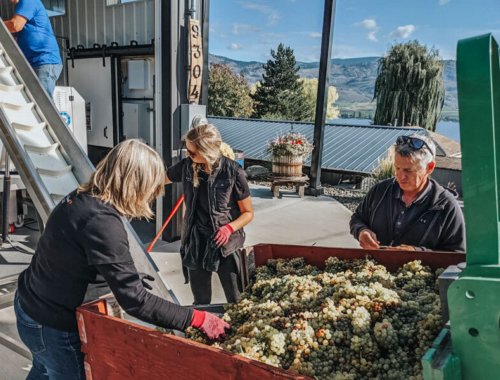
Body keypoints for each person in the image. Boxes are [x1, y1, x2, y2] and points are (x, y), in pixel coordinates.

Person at [15, 140, 229, 380]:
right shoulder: (101, 221)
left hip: (30, 306)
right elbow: (135, 300)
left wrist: (126, 276)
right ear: (135, 184)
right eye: (149, 188)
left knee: (43, 371)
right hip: (53, 326)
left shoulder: (84, 197)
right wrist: (197, 318)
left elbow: (83, 256)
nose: (150, 197)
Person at [165, 124, 254, 305]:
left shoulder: (233, 172)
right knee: (201, 300)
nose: (188, 156)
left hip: (226, 245)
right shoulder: (187, 166)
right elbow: (160, 179)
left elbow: (248, 213)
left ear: (208, 153)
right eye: (187, 151)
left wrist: (229, 228)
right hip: (196, 241)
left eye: (192, 153)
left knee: (236, 300)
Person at [350, 134, 465, 252]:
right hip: (372, 268)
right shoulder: (380, 190)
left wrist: (416, 253)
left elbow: (457, 255)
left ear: (430, 167)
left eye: (408, 170)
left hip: (423, 271)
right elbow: (357, 218)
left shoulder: (447, 206)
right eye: (397, 168)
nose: (400, 176)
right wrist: (361, 231)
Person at [4, 0, 63, 100]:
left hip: (44, 60)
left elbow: (15, 25)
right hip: (34, 63)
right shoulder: (22, 10)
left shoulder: (28, 1)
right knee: (34, 103)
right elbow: (15, 40)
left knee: (43, 104)